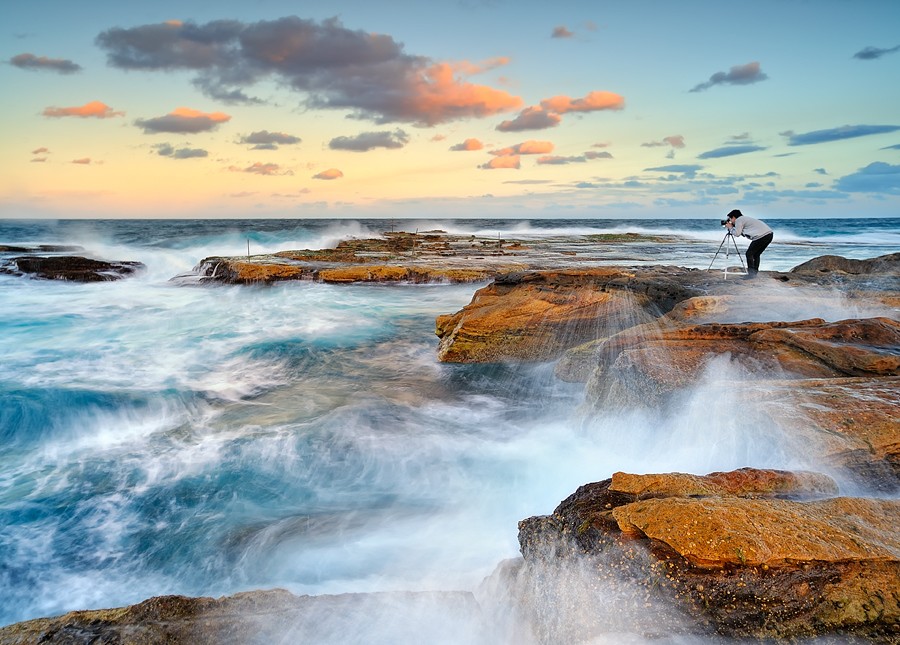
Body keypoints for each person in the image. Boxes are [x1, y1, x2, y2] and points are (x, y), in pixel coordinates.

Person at [724, 209, 773, 279]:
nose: (730, 221)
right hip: (769, 234)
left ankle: (751, 275)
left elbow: (737, 234)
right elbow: (742, 232)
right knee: (756, 254)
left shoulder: (739, 220)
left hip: (761, 236)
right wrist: (733, 227)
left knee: (749, 254)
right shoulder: (745, 219)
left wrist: (730, 227)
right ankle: (754, 273)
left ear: (734, 217)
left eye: (730, 219)